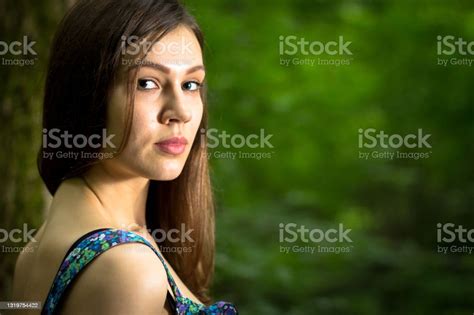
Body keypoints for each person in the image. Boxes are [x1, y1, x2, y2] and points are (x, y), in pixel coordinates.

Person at [12, 0, 238, 314]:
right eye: (147, 83)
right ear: (87, 93)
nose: (181, 112)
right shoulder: (127, 268)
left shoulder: (35, 252)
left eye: (190, 84)